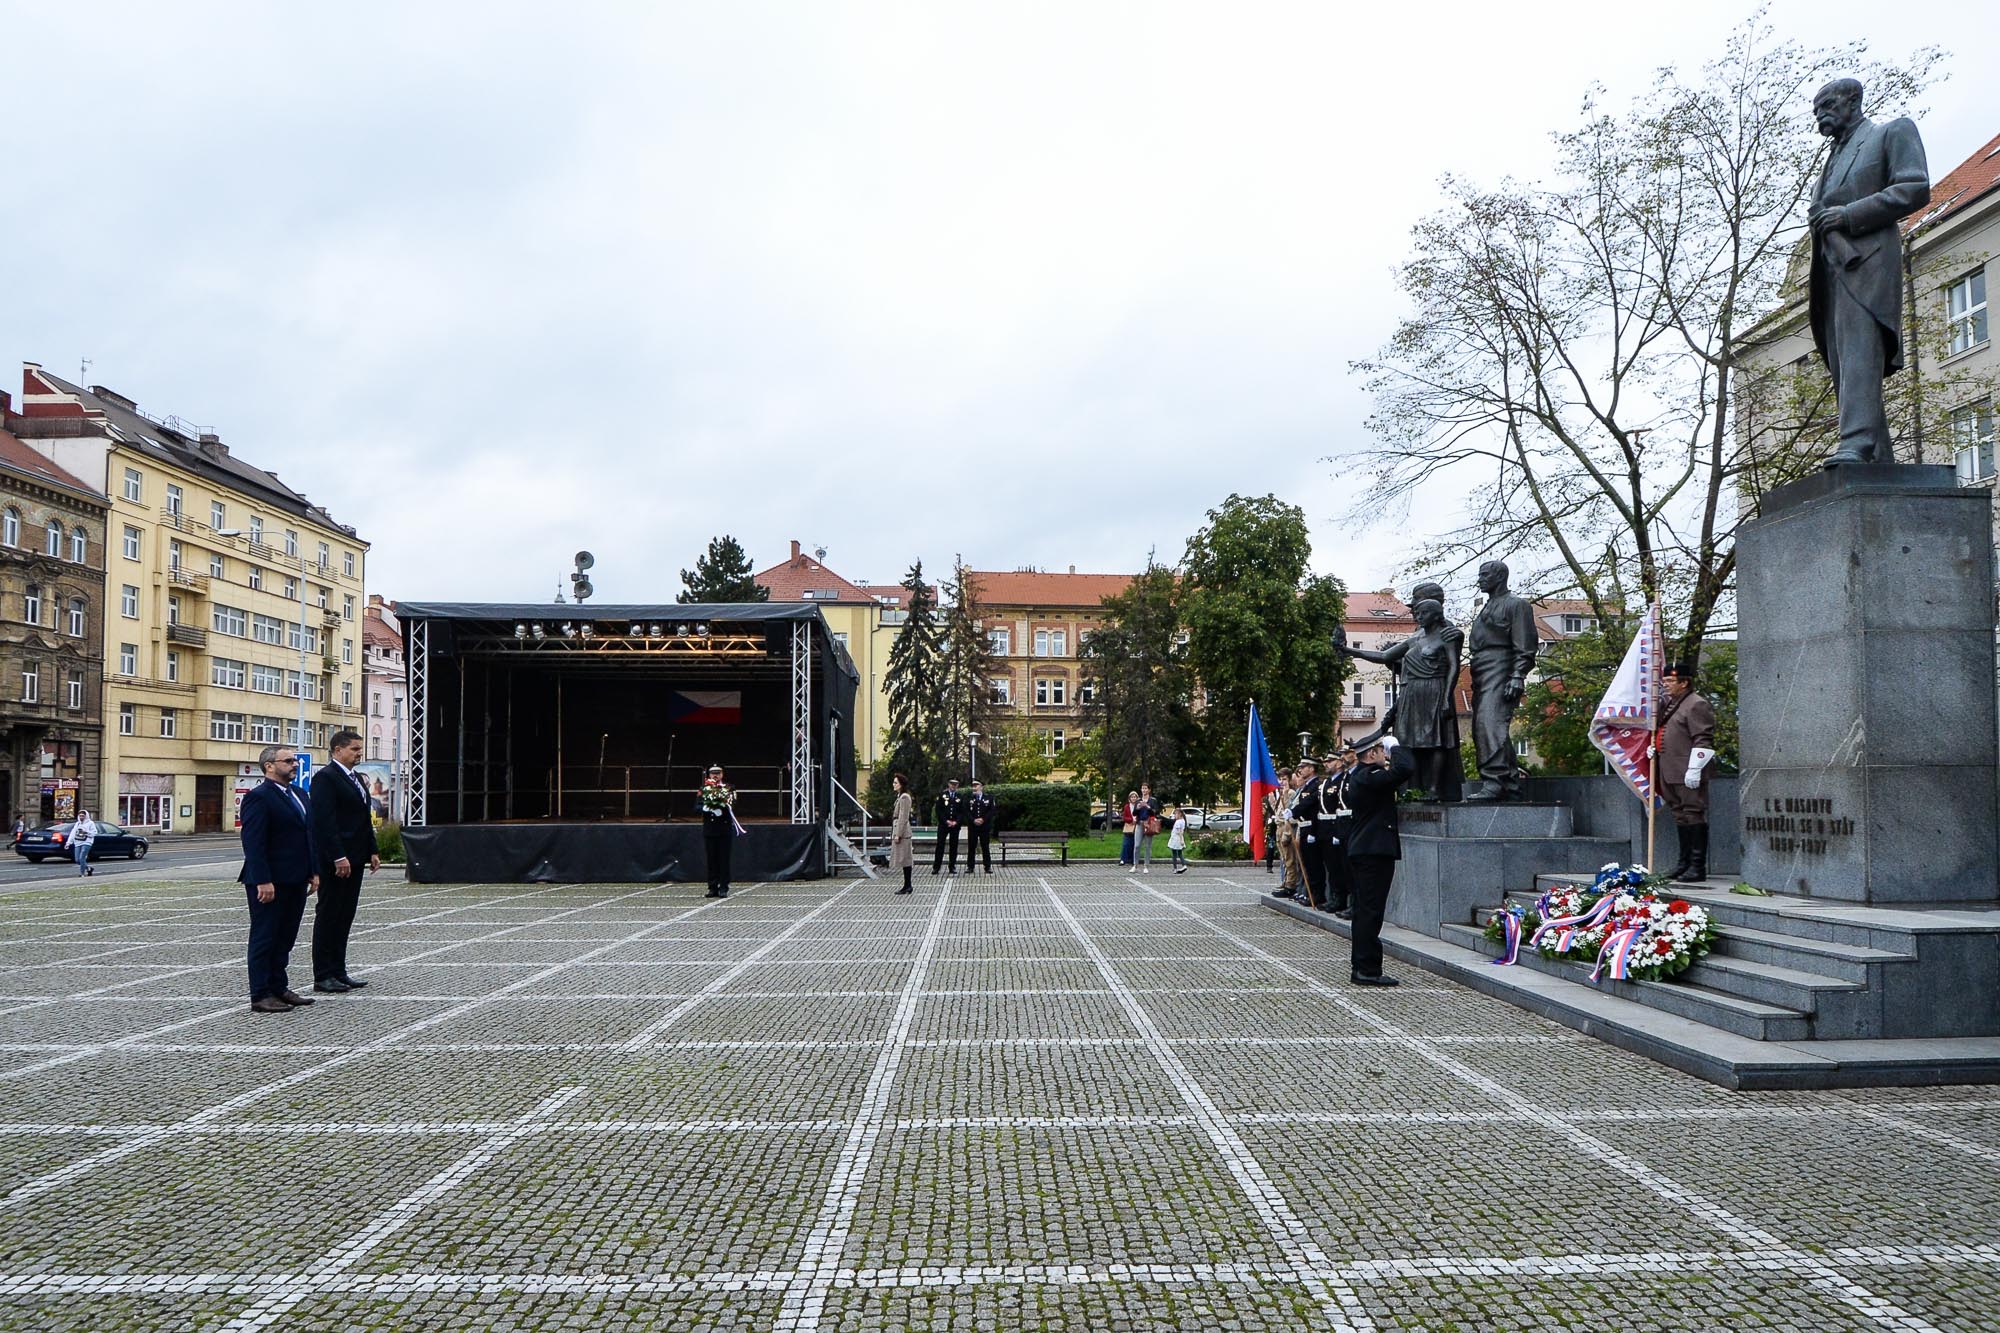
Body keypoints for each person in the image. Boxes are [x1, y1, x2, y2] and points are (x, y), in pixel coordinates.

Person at [1807, 78, 1930, 466]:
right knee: (1845, 363)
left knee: (1860, 351)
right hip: (1831, 269)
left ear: (1853, 100)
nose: (1821, 115)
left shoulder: (1890, 133)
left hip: (1868, 262)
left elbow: (1914, 187)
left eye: (1827, 104)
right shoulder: (1831, 158)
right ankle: (1877, 454)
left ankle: (1857, 442)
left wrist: (1847, 215)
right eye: (1816, 111)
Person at [1336, 597, 1464, 801]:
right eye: (1417, 613)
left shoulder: (1448, 635)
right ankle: (1414, 788)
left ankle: (1434, 789)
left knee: (1436, 741)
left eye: (1424, 613)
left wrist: (1447, 696)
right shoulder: (1416, 637)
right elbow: (1386, 656)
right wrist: (1350, 651)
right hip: (1412, 693)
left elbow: (1454, 667)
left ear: (1436, 614)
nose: (1419, 617)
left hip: (1434, 689)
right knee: (1411, 742)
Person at [238, 745, 318, 1013]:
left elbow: (308, 836)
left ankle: (279, 986)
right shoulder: (258, 797)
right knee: (265, 936)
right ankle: (260, 994)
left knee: (285, 936)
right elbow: (254, 842)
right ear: (269, 766)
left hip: (296, 878)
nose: (294, 764)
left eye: (295, 760)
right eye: (288, 761)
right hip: (269, 880)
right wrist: (262, 879)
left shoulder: (299, 794)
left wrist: (313, 871)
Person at [309, 728, 381, 992]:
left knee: (345, 915)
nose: (359, 753)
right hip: (336, 860)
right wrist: (338, 855)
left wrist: (371, 850)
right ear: (337, 750)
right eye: (354, 749)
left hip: (356, 856)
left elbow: (363, 817)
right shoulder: (326, 778)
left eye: (360, 749)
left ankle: (339, 970)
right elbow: (324, 822)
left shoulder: (356, 778)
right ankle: (323, 974)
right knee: (329, 914)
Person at [1344, 735, 1417, 986]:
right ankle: (1366, 969)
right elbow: (1405, 768)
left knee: (1367, 912)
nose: (1384, 754)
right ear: (1371, 754)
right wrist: (1396, 745)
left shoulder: (1363, 776)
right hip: (1371, 852)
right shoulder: (1368, 775)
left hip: (1367, 851)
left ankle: (1365, 967)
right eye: (1381, 750)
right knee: (1369, 913)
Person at [1465, 561, 1538, 801]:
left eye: (1485, 575)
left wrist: (1517, 675)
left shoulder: (1516, 605)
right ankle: (1508, 782)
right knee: (1482, 727)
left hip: (1502, 667)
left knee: (1490, 724)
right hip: (1482, 670)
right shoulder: (1487, 606)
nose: (1480, 579)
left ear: (1499, 576)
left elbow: (1525, 645)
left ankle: (1496, 780)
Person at [1657, 662, 1718, 883]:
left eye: (1671, 681)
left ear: (1684, 683)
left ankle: (1697, 866)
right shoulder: (1673, 704)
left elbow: (1703, 737)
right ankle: (1683, 863)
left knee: (1693, 813)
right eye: (1664, 681)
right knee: (1680, 814)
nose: (1665, 685)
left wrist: (1695, 768)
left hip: (1687, 769)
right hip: (1670, 769)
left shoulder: (1696, 704)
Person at [1324, 748, 1359, 918]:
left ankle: (1354, 904)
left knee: (1352, 869)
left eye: (1347, 754)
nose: (1343, 757)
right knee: (1342, 868)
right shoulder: (1346, 776)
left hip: (1352, 825)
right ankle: (1342, 900)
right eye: (1342, 755)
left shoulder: (1357, 775)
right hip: (1342, 825)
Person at [699, 764, 739, 897]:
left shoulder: (728, 788)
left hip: (723, 828)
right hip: (710, 829)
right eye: (712, 773)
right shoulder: (704, 788)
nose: (715, 776)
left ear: (722, 774)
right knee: (711, 859)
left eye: (718, 773)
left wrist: (721, 809)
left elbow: (733, 804)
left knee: (723, 859)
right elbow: (696, 806)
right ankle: (712, 887)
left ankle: (723, 887)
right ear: (708, 775)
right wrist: (705, 809)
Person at [888, 772, 916, 894]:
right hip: (900, 830)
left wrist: (898, 834)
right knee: (904, 859)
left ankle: (908, 885)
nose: (893, 785)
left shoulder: (905, 797)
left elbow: (903, 817)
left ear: (901, 784)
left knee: (906, 859)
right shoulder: (900, 796)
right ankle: (907, 884)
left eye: (895, 783)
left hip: (903, 832)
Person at [931, 778, 964, 875]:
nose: (953, 786)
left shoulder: (960, 796)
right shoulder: (942, 795)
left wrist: (956, 822)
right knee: (940, 845)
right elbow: (939, 810)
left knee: (953, 846)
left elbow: (962, 812)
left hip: (955, 825)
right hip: (944, 825)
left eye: (955, 784)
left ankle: (952, 866)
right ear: (948, 784)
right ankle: (936, 867)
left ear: (957, 785)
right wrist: (946, 821)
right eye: (952, 784)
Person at [963, 779, 996, 874]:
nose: (974, 788)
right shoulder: (968, 798)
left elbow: (992, 811)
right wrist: (973, 820)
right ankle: (970, 866)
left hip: (984, 827)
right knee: (971, 847)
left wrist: (983, 819)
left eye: (976, 786)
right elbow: (966, 811)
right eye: (973, 786)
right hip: (973, 826)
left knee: (985, 847)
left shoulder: (989, 798)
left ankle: (987, 866)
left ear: (981, 787)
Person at [1133, 783, 1158, 873]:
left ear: (1149, 790)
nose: (1144, 790)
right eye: (1142, 788)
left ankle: (1146, 866)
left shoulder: (1152, 800)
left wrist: (1148, 807)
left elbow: (1155, 812)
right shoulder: (1138, 800)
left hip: (1149, 825)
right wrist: (1138, 808)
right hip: (1140, 824)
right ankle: (1135, 865)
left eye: (1145, 788)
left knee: (1147, 846)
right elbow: (1134, 813)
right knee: (1137, 845)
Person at [70, 809, 97, 877]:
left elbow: (94, 833)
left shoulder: (90, 823)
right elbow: (73, 833)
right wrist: (69, 842)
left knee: (82, 857)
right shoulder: (77, 824)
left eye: (83, 816)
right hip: (78, 842)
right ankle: (88, 868)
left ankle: (82, 874)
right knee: (77, 860)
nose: (81, 817)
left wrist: (86, 833)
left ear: (86, 816)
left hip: (87, 842)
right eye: (80, 816)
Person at [1118, 790, 1138, 867]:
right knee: (1126, 844)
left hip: (1136, 826)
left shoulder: (1138, 806)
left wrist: (1136, 820)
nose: (1133, 798)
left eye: (1135, 797)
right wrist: (1131, 820)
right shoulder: (1127, 806)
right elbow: (1125, 817)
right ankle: (1123, 859)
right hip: (1128, 826)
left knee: (1135, 844)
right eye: (1132, 797)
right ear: (1129, 798)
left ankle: (1133, 860)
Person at [1167, 804, 1189, 873]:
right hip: (1179, 838)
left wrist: (1181, 840)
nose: (1174, 816)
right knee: (1180, 853)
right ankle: (1184, 865)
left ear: (1180, 814)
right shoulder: (1183, 821)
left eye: (1175, 814)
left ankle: (1175, 868)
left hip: (1176, 839)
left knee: (1174, 854)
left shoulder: (1178, 822)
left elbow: (1179, 831)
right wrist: (1182, 839)